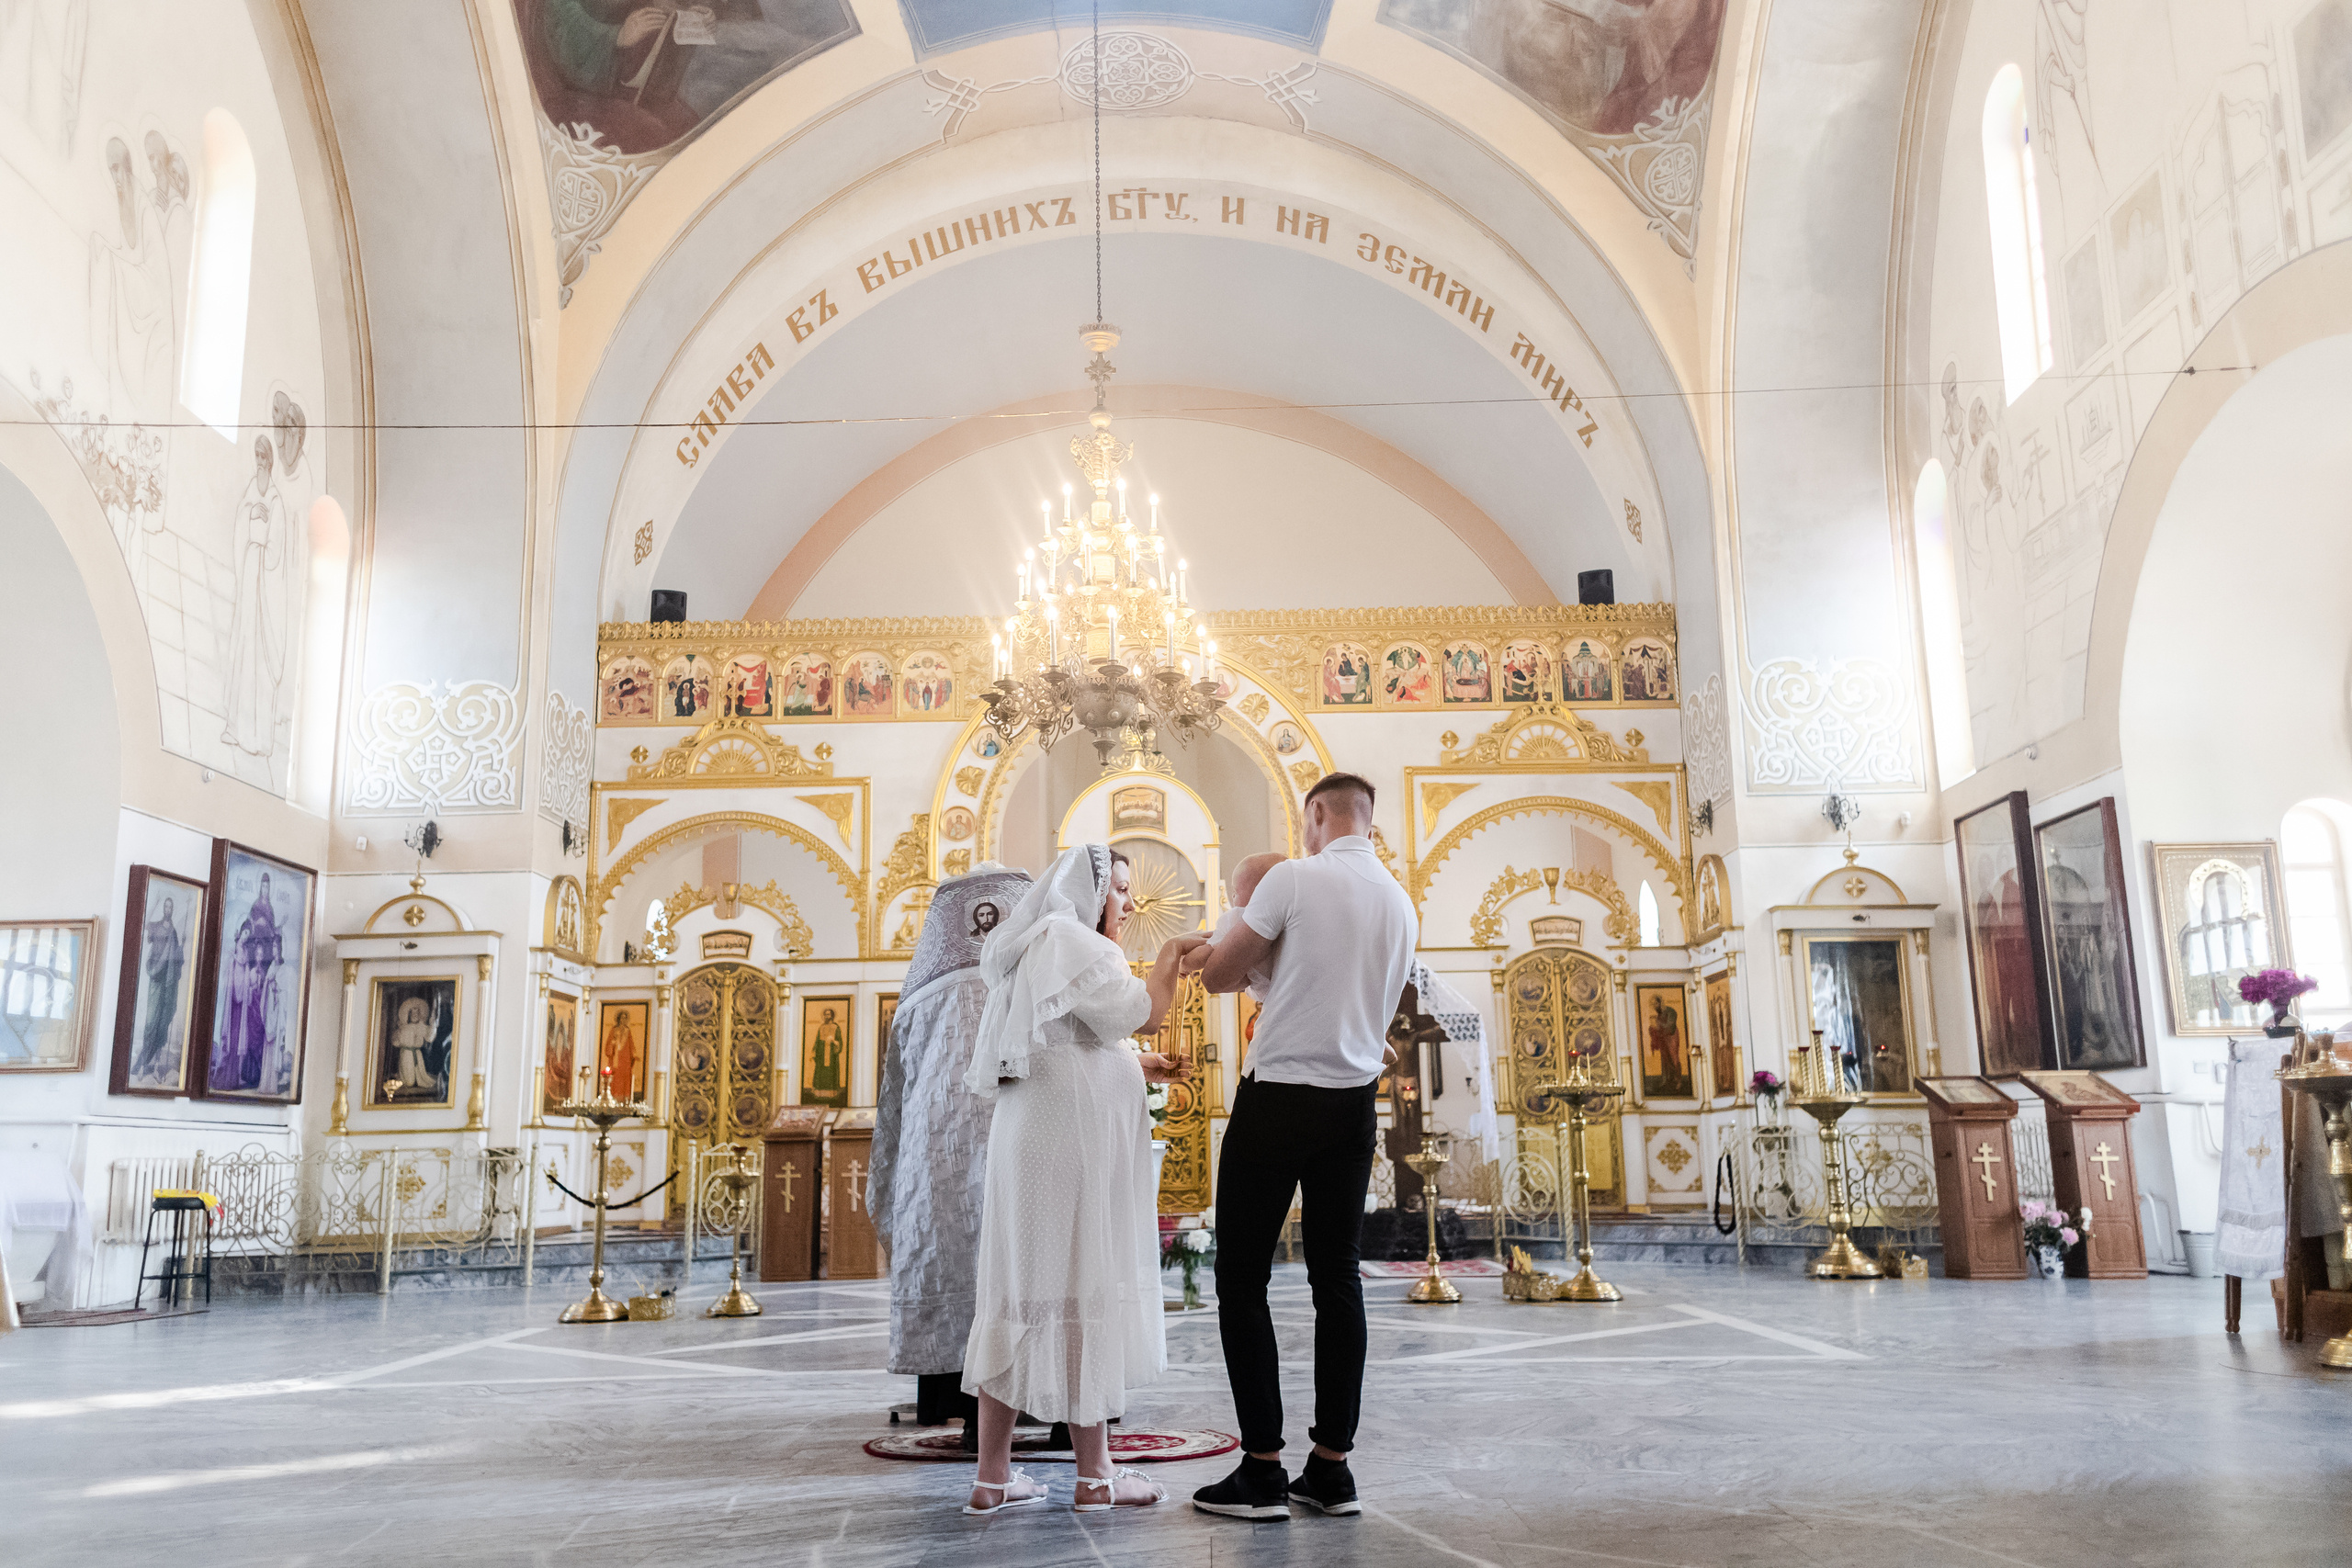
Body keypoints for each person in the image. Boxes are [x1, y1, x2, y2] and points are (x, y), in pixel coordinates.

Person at [1189, 773, 1417, 1521]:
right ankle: (1331, 1469)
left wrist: (1232, 946)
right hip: (1353, 1105)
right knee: (1337, 1276)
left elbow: (1220, 975)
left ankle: (1261, 1469)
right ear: (1367, 818)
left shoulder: (1293, 877)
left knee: (1241, 1276)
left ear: (1317, 812)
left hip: (1280, 1097)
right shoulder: (1401, 903)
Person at [957, 846, 1204, 1516]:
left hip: (1035, 1135)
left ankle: (992, 1478)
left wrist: (1136, 1064)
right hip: (1066, 1143)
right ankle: (1096, 1477)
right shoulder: (1074, 941)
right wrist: (1171, 956)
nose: (1129, 902)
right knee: (1079, 1284)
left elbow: (1065, 1039)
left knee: (1021, 1290)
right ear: (1088, 891)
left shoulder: (1038, 945)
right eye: (1119, 889)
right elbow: (1146, 1011)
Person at [869, 866, 1035, 1446]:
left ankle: (953, 1403)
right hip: (1026, 1137)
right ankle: (1045, 1400)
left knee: (954, 1254)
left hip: (937, 1155)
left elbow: (896, 1092)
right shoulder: (1037, 968)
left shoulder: (921, 993)